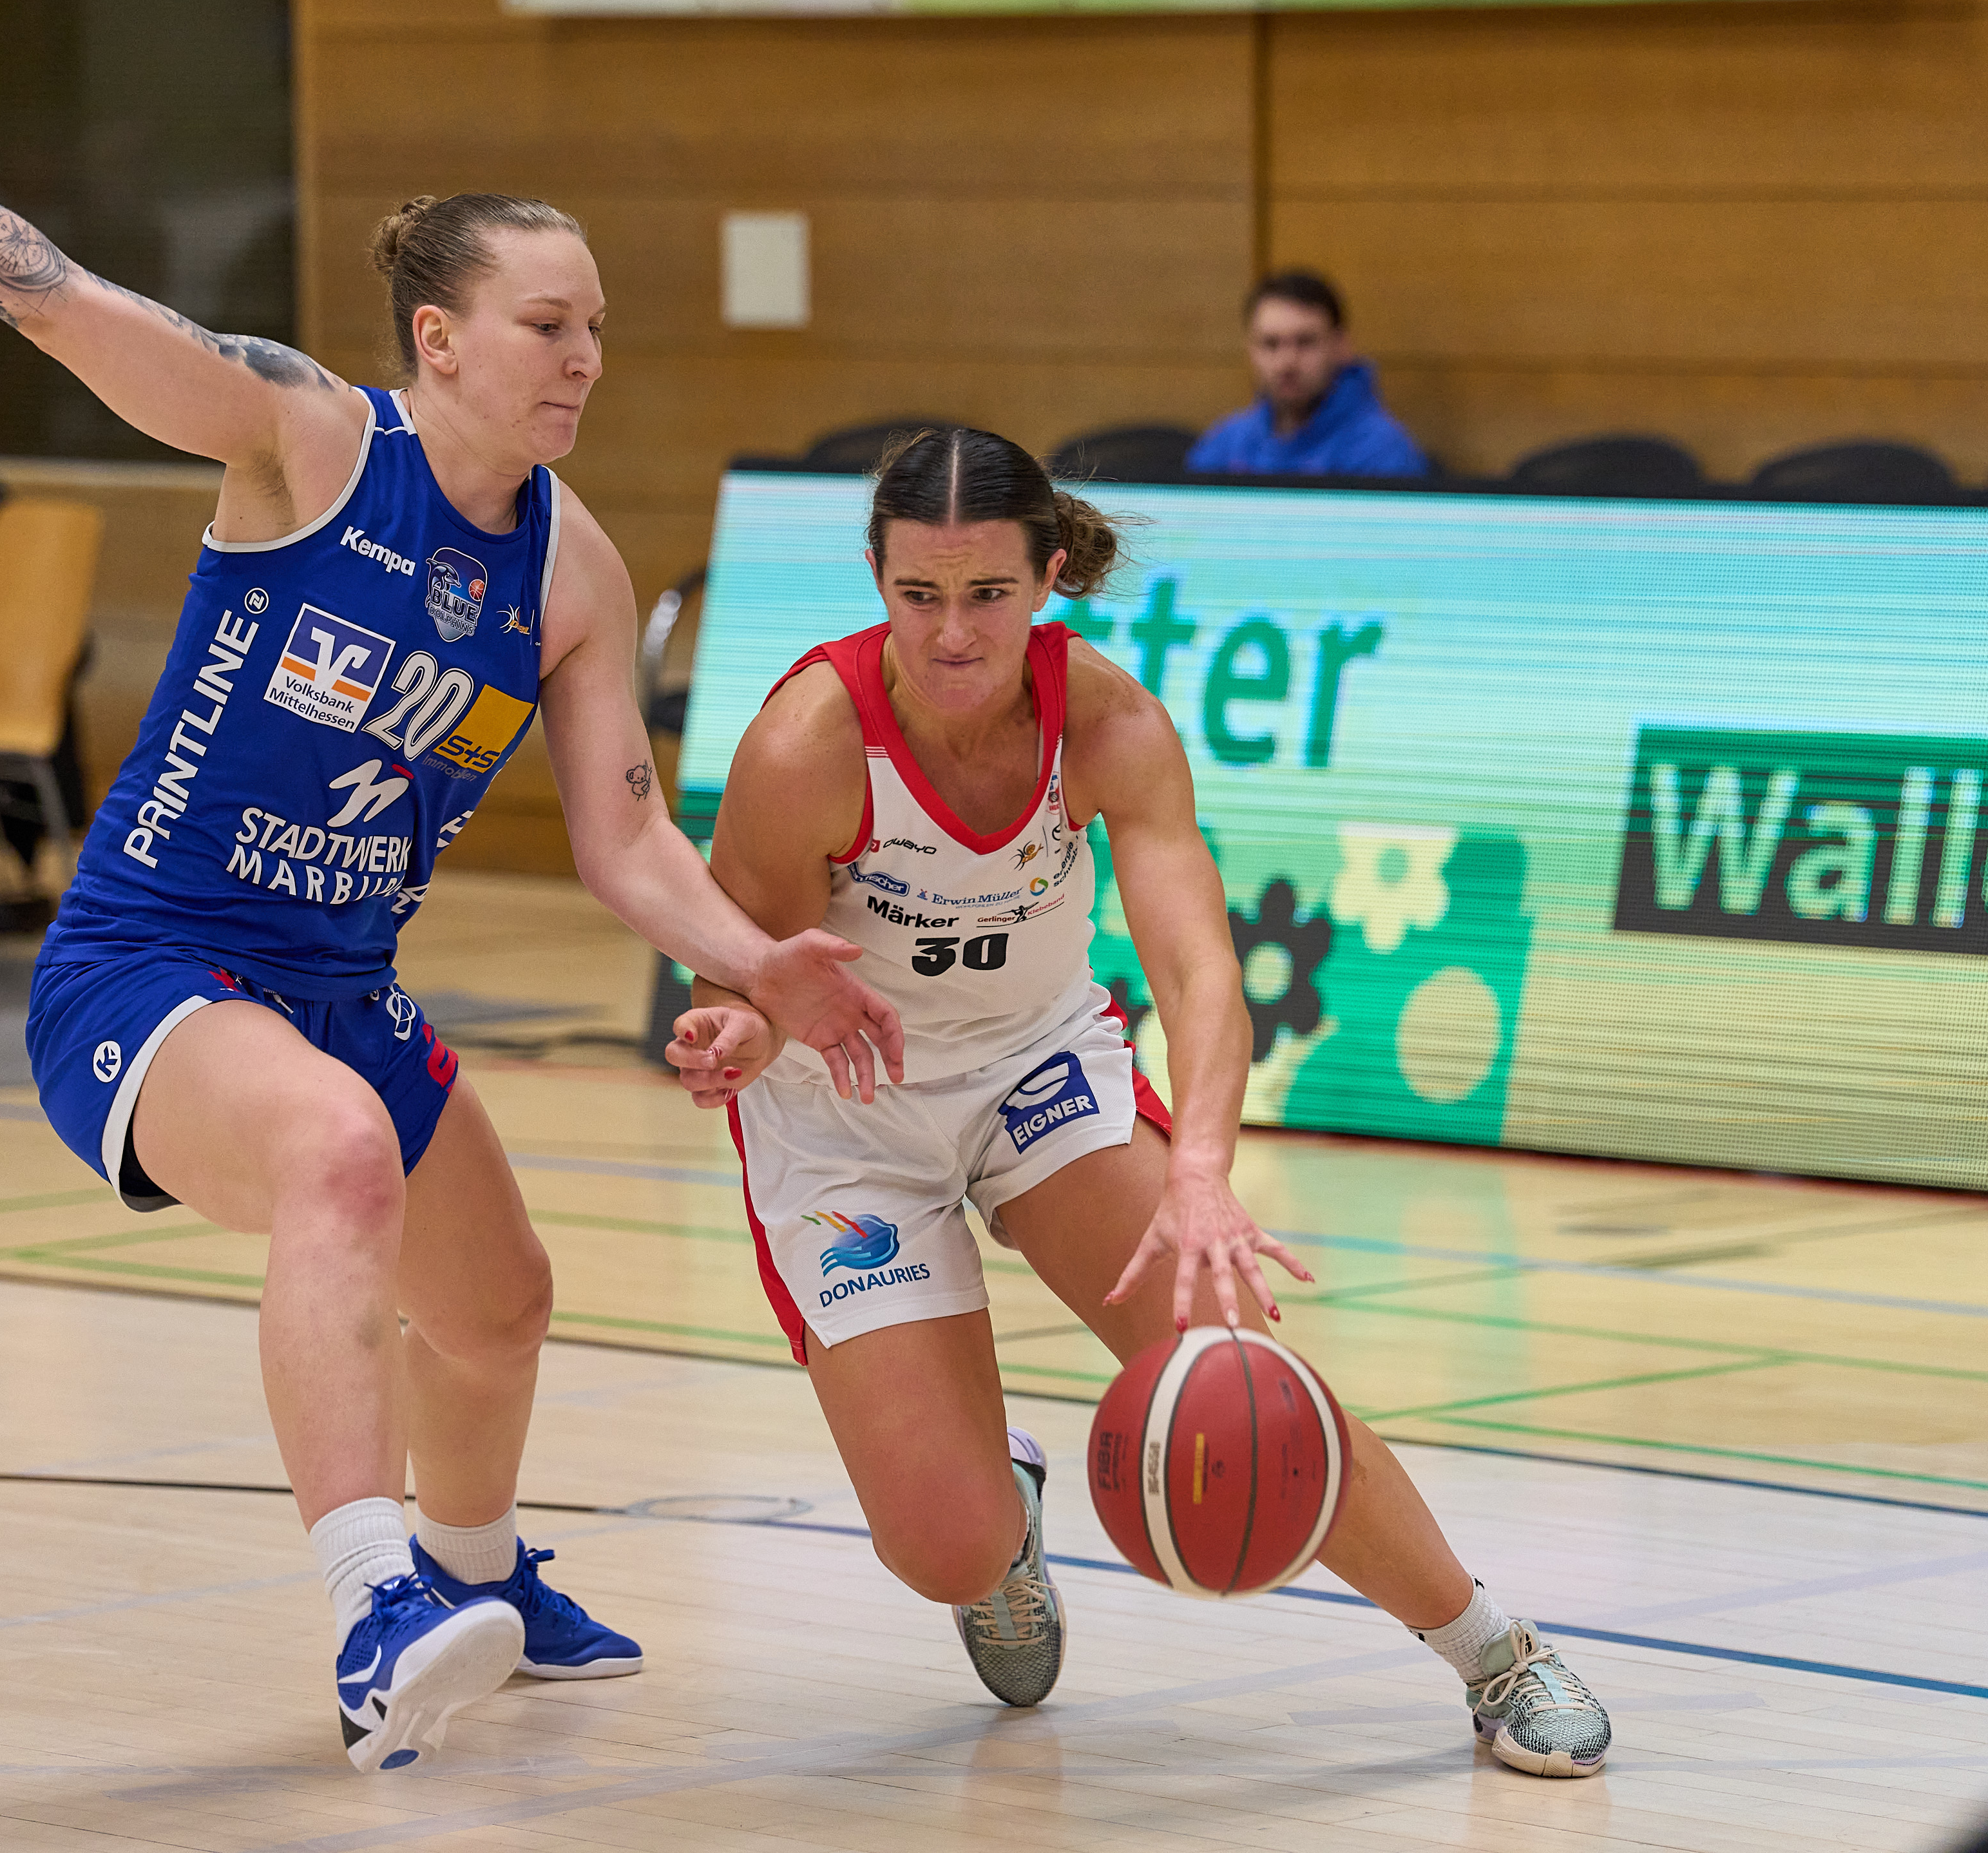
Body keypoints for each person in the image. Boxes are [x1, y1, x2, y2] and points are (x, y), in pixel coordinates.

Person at [0, 0, 903, 1775]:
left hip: (340, 984)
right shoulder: (303, 436)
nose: (583, 358)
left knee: (502, 1304)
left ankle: (478, 1568)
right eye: (547, 324)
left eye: (597, 327)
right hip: (152, 966)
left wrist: (755, 957)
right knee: (334, 1155)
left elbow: (626, 834)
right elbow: (47, 292)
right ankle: (375, 1606)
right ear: (439, 341)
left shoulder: (572, 567)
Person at [667, 427, 1612, 1778]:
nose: (951, 633)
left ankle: (1493, 1651)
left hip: (1035, 1071)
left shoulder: (1107, 723)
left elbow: (1199, 971)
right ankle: (1001, 1524)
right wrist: (735, 1030)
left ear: (1047, 577)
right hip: (845, 1107)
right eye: (918, 595)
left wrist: (1201, 1172)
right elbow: (743, 970)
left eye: (986, 594)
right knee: (942, 1547)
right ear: (875, 577)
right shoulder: (805, 743)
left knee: (1242, 1374)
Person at [1185, 269, 1428, 479]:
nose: (1286, 363)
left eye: (1305, 342)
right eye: (1271, 344)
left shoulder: (1381, 453)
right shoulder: (1225, 444)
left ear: (1341, 345)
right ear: (1251, 350)